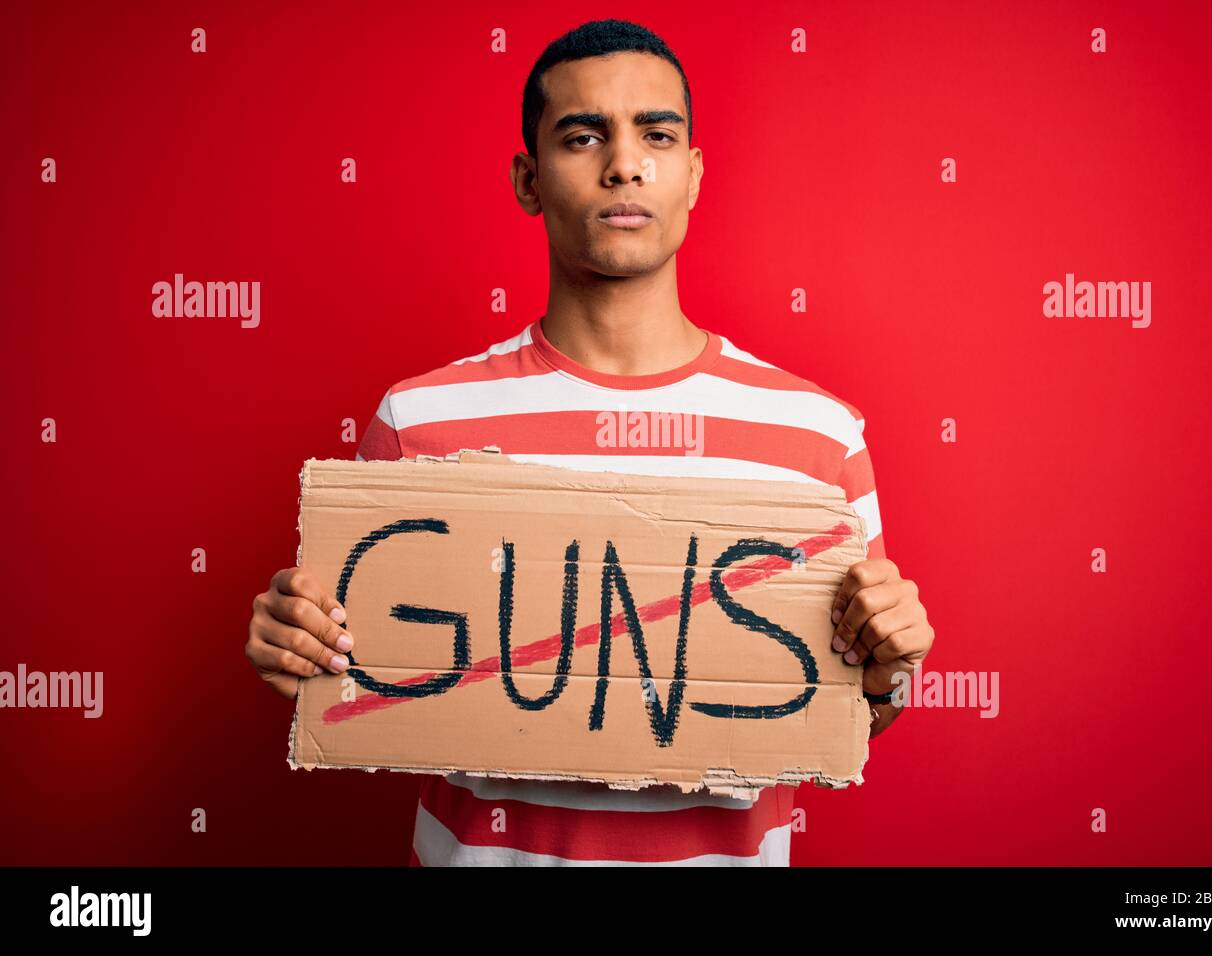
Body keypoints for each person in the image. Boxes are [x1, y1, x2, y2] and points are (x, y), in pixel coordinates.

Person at [245, 18, 934, 866]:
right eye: (583, 136)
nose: (624, 163)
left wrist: (888, 666)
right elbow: (355, 669)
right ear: (529, 181)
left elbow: (863, 702)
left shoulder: (814, 434)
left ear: (692, 174)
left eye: (657, 133)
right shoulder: (421, 421)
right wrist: (300, 643)